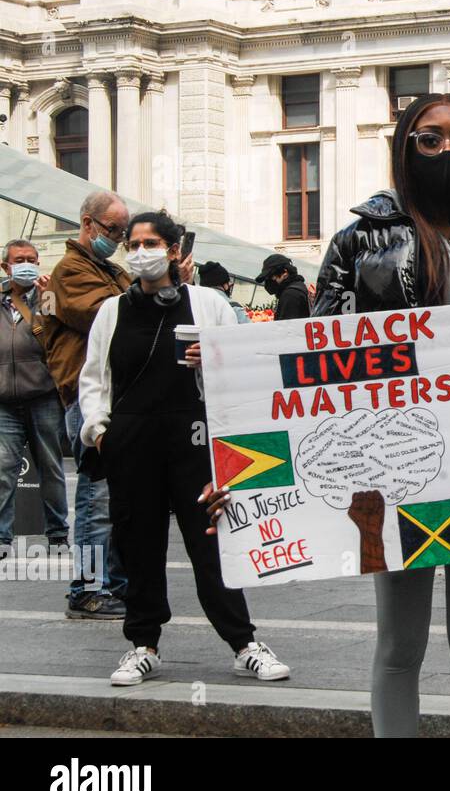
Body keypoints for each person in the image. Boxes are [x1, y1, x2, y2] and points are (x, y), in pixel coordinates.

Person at [207, 92, 450, 738]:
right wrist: (245, 460)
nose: (446, 149)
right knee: (400, 644)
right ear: (403, 146)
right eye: (428, 138)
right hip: (393, 466)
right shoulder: (358, 240)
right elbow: (314, 362)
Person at [80, 210, 290, 686]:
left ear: (175, 251)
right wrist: (100, 433)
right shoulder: (112, 311)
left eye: (150, 243)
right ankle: (142, 645)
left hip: (194, 442)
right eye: (132, 244)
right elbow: (94, 379)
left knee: (211, 543)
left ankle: (244, 643)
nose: (139, 253)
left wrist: (211, 359)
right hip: (132, 444)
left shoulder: (209, 304)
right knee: (138, 546)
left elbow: (245, 371)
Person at [42, 191, 132, 618]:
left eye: (122, 232)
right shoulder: (70, 271)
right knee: (96, 495)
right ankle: (87, 588)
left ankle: (114, 583)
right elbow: (108, 316)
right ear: (88, 224)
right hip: (87, 394)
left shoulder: (109, 269)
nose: (118, 238)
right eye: (113, 230)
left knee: (115, 496)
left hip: (115, 392)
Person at [0, 239, 68, 559]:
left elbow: (58, 336)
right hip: (4, 401)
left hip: (43, 396)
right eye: (19, 259)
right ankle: (1, 538)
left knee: (51, 468)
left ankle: (57, 535)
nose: (26, 264)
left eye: (31, 259)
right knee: (3, 469)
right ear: (5, 266)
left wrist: (48, 296)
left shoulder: (49, 298)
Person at [255, 254, 310, 321]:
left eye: (271, 276)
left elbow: (286, 327)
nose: (269, 281)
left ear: (285, 272)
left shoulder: (290, 294)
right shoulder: (297, 287)